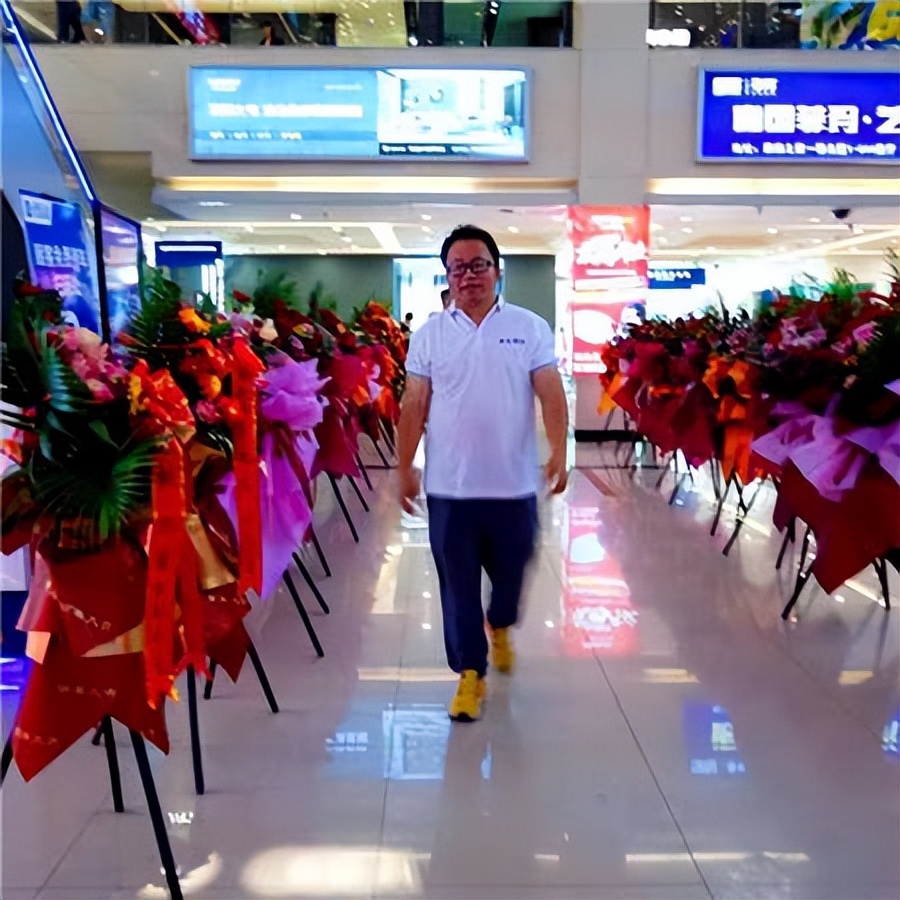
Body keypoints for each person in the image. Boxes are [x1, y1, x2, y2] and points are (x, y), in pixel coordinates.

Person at [397, 225, 568, 723]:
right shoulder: (429, 334)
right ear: (447, 276)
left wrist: (558, 449)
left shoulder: (529, 327)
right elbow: (415, 403)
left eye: (479, 265)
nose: (469, 275)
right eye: (458, 267)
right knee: (457, 587)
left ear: (496, 270)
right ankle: (470, 674)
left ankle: (502, 624)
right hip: (450, 488)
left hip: (513, 486)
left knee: (513, 572)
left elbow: (550, 392)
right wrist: (405, 465)